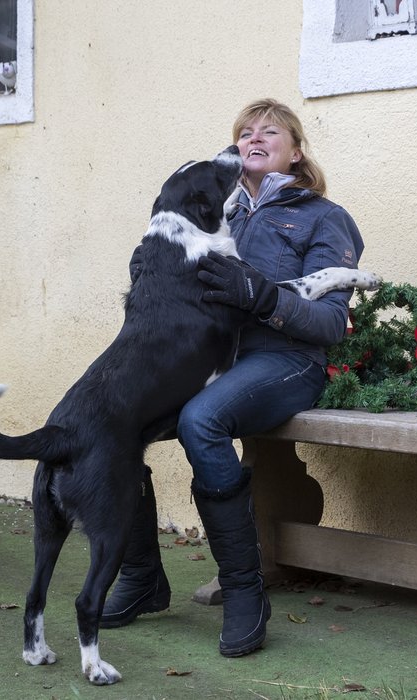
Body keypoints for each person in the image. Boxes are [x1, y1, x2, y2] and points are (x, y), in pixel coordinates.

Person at [100, 99, 366, 657]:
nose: (254, 137)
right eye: (245, 131)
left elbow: (330, 323)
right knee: (116, 424)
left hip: (285, 360)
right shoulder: (212, 208)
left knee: (203, 419)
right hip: (213, 360)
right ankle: (143, 575)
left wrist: (265, 297)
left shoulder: (324, 216)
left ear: (296, 151)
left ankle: (245, 588)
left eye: (270, 131)